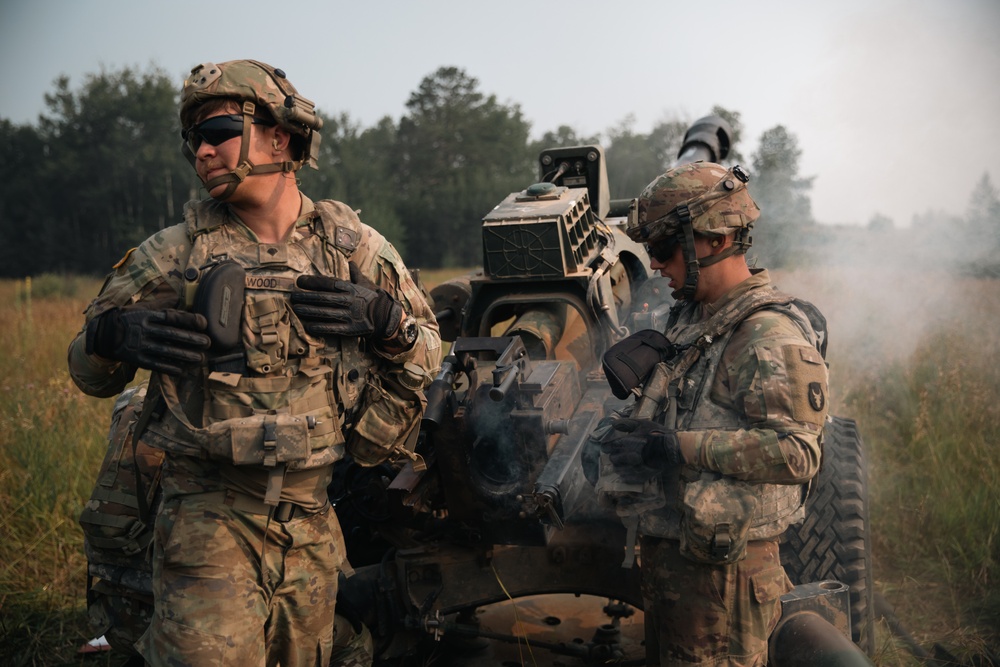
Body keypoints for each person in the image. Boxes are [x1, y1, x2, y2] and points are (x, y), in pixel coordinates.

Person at [68, 59, 441, 666]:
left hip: (314, 521)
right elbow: (86, 374)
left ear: (280, 137)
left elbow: (429, 351)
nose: (202, 153)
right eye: (193, 141)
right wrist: (109, 335)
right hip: (209, 515)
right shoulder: (173, 254)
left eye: (218, 131)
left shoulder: (355, 251)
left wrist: (388, 323)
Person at [593, 161, 829, 666]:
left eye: (662, 249)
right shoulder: (694, 319)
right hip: (680, 567)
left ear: (716, 241)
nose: (654, 265)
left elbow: (796, 453)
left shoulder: (765, 335)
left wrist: (671, 446)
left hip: (725, 582)